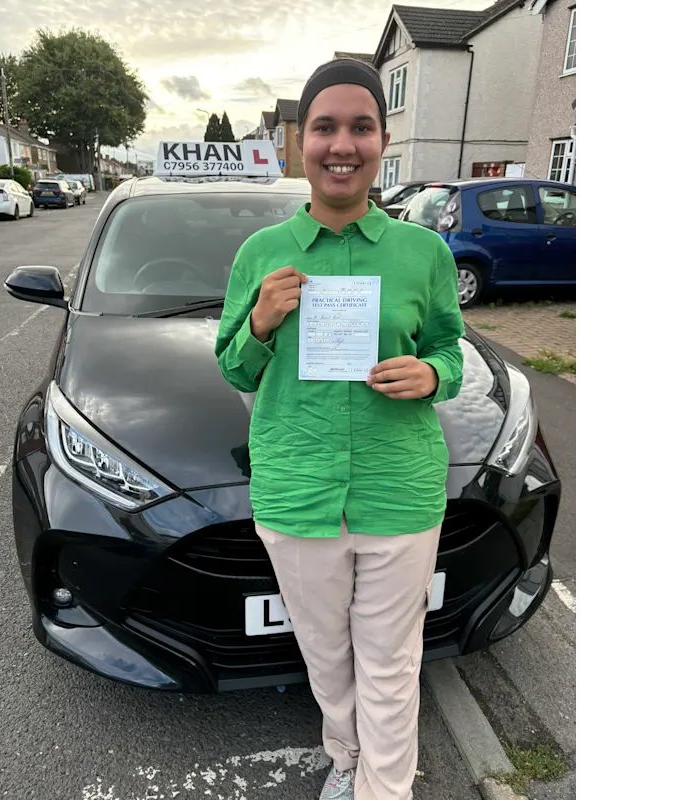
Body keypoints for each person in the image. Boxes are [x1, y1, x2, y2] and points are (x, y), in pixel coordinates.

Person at [214, 58, 465, 800]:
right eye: (325, 127)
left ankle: (384, 790)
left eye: (361, 127)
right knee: (326, 653)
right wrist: (260, 321)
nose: (342, 144)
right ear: (302, 142)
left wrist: (432, 376)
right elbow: (234, 369)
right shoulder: (262, 254)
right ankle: (346, 753)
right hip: (298, 492)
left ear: (383, 140)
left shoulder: (424, 252)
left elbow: (450, 347)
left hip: (399, 488)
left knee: (391, 659)